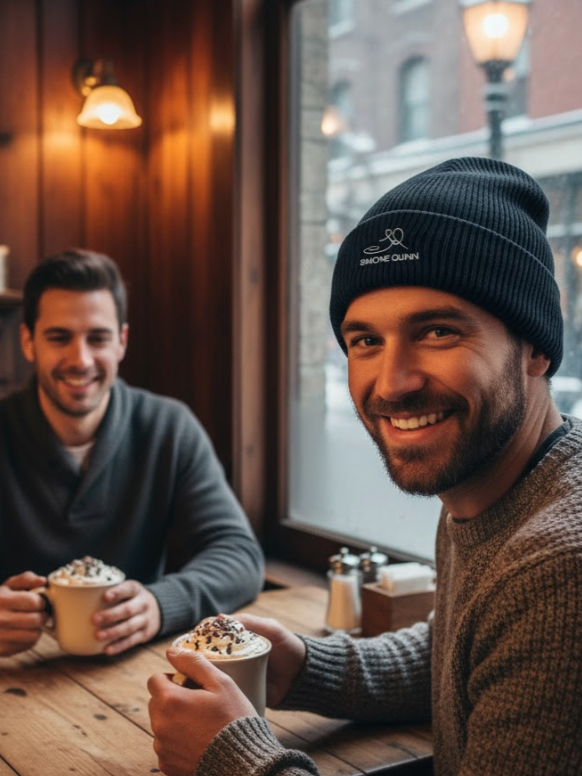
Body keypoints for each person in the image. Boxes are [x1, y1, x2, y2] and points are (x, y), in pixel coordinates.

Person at [147, 157, 582, 775]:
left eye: (436, 332)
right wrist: (303, 663)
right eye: (366, 341)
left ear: (536, 345)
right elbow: (456, 654)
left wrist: (237, 763)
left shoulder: (560, 568)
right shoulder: (498, 489)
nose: (393, 383)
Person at [0, 249, 264, 657]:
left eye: (98, 338)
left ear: (121, 341)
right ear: (28, 342)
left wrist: (161, 604)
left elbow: (239, 555)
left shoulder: (168, 427)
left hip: (133, 677)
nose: (81, 359)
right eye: (59, 337)